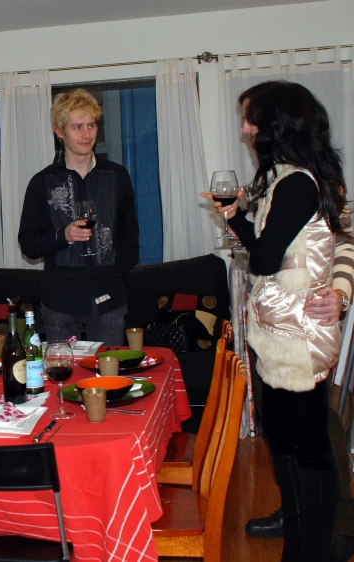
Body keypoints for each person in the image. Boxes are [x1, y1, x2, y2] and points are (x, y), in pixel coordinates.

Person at [204, 80, 348, 561]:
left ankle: (316, 547)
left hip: (297, 336)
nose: (246, 129)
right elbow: (267, 248)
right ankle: (299, 539)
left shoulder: (298, 183)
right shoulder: (285, 177)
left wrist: (236, 222)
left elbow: (264, 259)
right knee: (284, 441)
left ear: (277, 125)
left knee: (308, 446)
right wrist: (235, 216)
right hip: (277, 333)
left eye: (251, 119)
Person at [18, 89, 139, 345]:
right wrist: (63, 236)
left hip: (109, 299)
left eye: (91, 125)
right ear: (59, 131)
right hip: (60, 302)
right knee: (64, 379)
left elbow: (131, 236)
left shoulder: (118, 176)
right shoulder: (41, 182)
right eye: (77, 127)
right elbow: (28, 243)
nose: (87, 135)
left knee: (108, 378)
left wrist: (115, 274)